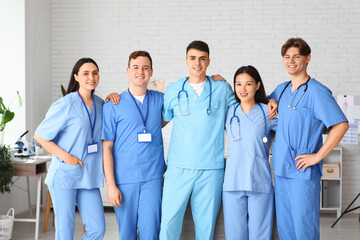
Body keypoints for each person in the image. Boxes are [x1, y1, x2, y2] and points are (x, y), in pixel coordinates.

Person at [269, 38, 349, 240]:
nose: (291, 61)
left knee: (303, 227)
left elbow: (341, 125)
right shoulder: (283, 89)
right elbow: (263, 99)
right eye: (287, 57)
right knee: (285, 227)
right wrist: (270, 100)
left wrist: (317, 157)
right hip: (280, 168)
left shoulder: (317, 91)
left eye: (296, 56)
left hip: (302, 170)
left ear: (307, 58)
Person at [159, 40, 236, 240]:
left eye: (202, 58)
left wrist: (269, 102)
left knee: (205, 228)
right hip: (178, 167)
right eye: (193, 58)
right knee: (168, 224)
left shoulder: (222, 88)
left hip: (210, 169)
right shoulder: (174, 89)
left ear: (208, 61)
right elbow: (161, 120)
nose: (197, 63)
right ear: (186, 61)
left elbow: (245, 106)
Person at [34, 58, 106, 240]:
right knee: (65, 232)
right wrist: (67, 157)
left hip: (88, 176)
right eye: (86, 73)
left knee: (98, 229)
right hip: (65, 175)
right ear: (76, 77)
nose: (91, 77)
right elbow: (40, 135)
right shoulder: (66, 103)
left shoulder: (101, 105)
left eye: (95, 72)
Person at [102, 51, 166, 240]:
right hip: (124, 179)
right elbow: (107, 148)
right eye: (136, 67)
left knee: (151, 232)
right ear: (128, 71)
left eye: (145, 67)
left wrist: (212, 79)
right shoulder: (113, 104)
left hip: (153, 178)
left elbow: (187, 93)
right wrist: (111, 186)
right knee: (127, 234)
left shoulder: (160, 100)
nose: (141, 71)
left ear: (151, 71)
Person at [222, 65, 277, 240]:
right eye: (238, 84)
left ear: (257, 85)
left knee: (260, 234)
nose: (243, 89)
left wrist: (274, 101)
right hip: (233, 182)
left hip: (259, 181)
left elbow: (289, 130)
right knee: (234, 235)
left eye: (248, 84)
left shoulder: (268, 112)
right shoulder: (229, 111)